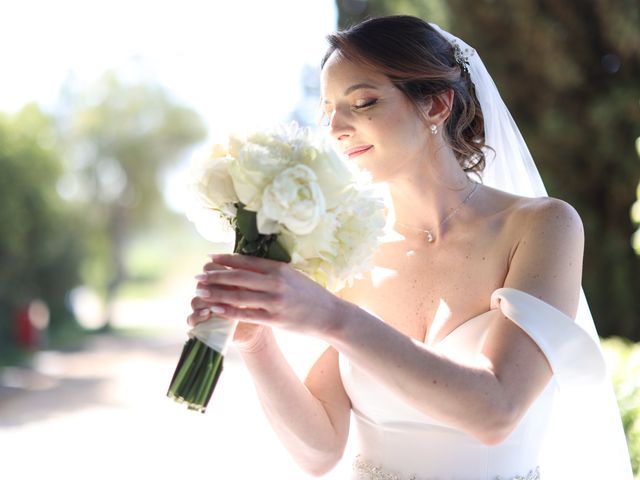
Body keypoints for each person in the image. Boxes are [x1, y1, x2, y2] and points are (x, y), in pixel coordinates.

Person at [189, 16, 632, 479]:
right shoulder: (351, 252)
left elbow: (496, 410)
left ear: (437, 106)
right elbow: (318, 453)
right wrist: (258, 341)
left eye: (362, 102)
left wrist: (331, 316)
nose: (336, 128)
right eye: (327, 111)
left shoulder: (541, 227)